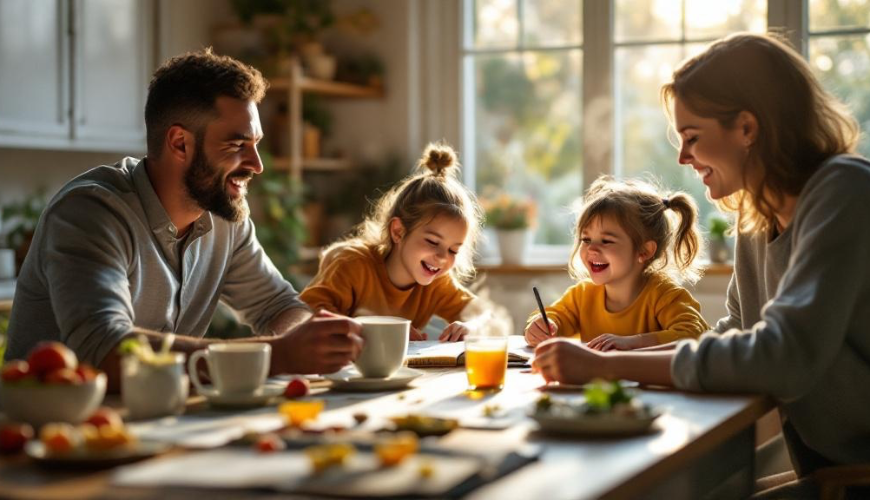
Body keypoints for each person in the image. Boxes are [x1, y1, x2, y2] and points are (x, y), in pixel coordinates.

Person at [532, 32, 870, 486]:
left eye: (692, 136)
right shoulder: (758, 217)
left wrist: (606, 366)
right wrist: (611, 354)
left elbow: (782, 356)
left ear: (747, 128)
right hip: (829, 470)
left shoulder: (844, 192)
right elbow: (738, 330)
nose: (682, 155)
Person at [4, 49, 362, 391]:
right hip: (53, 437)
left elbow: (279, 307)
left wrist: (313, 339)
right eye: (237, 145)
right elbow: (107, 350)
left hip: (160, 422)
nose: (257, 165)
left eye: (256, 143)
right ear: (180, 144)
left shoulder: (224, 217)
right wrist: (277, 355)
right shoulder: (91, 212)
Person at [300, 142, 490, 342]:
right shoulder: (352, 265)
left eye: (453, 250)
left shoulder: (437, 282)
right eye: (433, 242)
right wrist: (379, 331)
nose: (443, 258)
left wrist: (471, 326)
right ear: (398, 231)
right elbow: (307, 314)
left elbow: (484, 315)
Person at [524, 176, 709, 351]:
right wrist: (540, 326)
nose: (592, 250)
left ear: (644, 251)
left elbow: (694, 335)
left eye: (606, 241)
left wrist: (632, 343)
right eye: (586, 239)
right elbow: (555, 316)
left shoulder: (664, 296)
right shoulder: (582, 296)